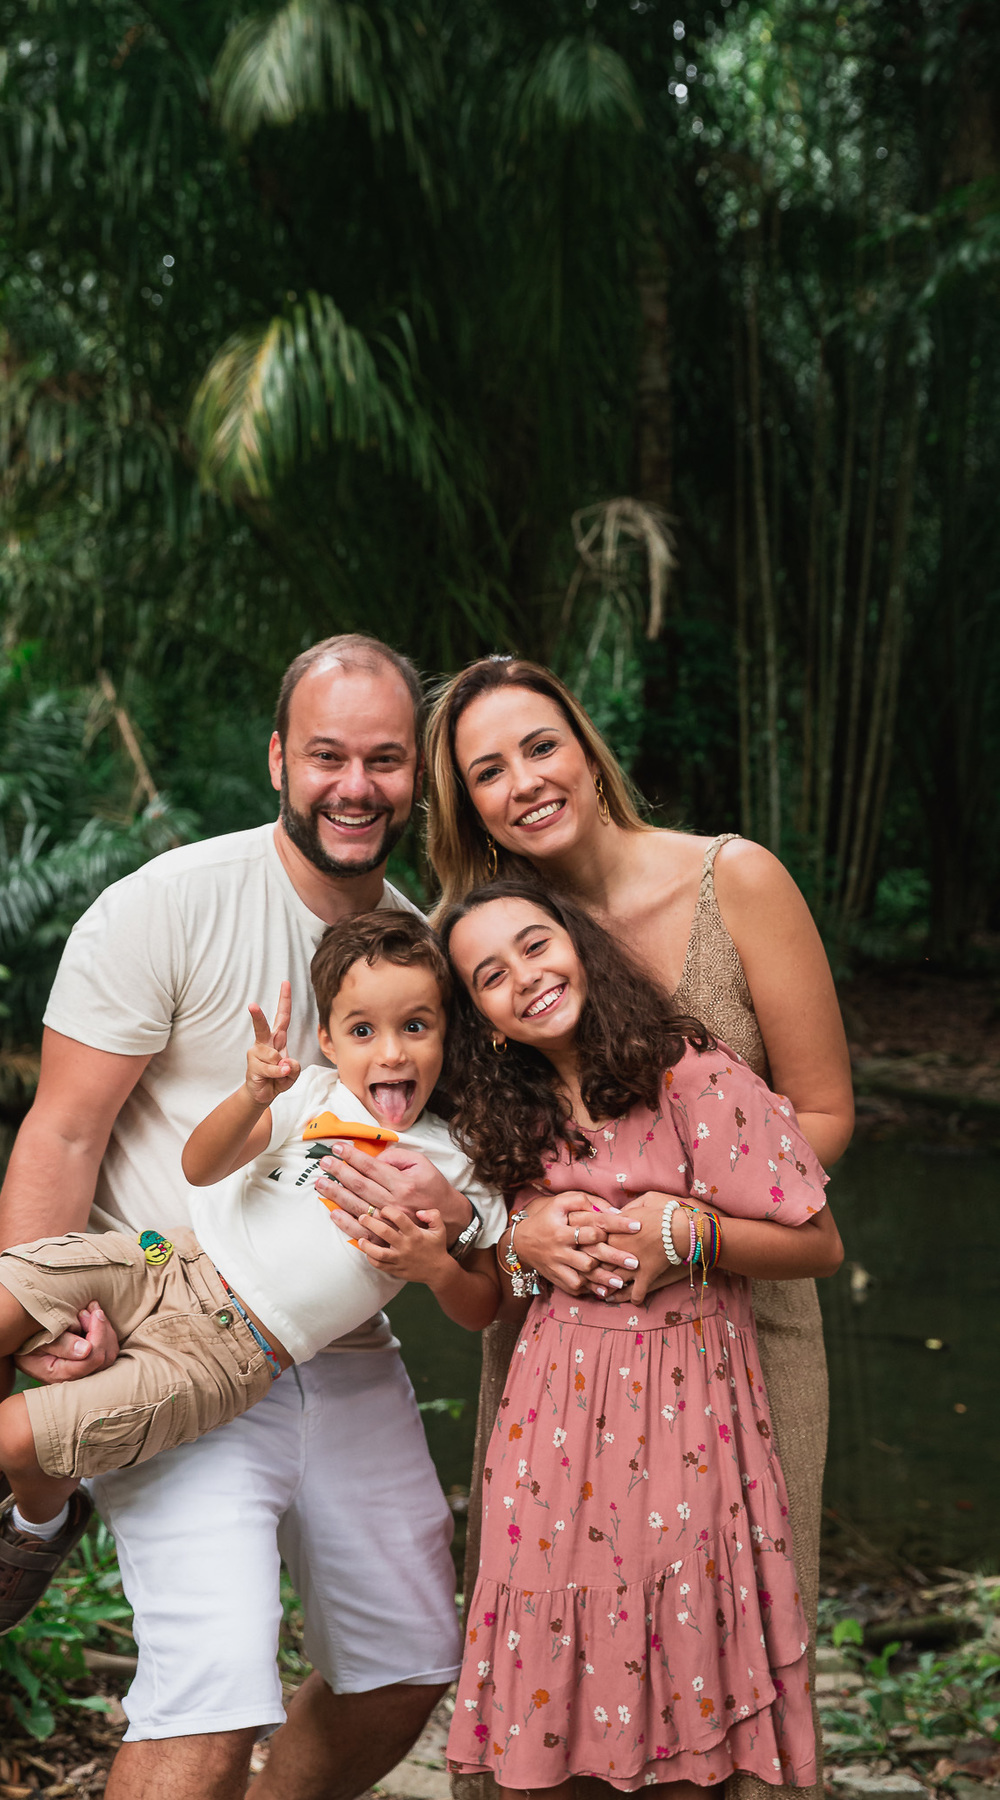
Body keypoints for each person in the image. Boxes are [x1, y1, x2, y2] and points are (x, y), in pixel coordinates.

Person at [333, 656, 853, 1800]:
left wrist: (682, 1221)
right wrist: (516, 1244)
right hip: (559, 1357)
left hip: (739, 1321)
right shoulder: (482, 948)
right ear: (463, 803)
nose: (522, 781)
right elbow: (466, 1164)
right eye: (485, 771)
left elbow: (818, 1123)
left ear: (585, 744)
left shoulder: (734, 882)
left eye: (538, 745)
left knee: (735, 1625)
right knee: (558, 1646)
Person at [0, 635, 482, 1800]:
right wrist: (44, 1323)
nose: (357, 786)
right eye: (328, 756)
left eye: (387, 759)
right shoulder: (168, 904)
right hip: (178, 1332)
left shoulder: (423, 958)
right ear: (277, 761)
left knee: (403, 1669)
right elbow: (61, 1134)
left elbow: (469, 1169)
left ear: (418, 777)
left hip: (345, 1350)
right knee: (209, 1700)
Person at [0, 912, 506, 1643]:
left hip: (235, 1349)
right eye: (363, 1031)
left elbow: (481, 1307)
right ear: (328, 1040)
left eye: (416, 1026)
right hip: (168, 1259)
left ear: (449, 1032)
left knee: (21, 1431)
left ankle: (38, 1523)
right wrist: (254, 1095)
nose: (390, 1052)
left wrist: (433, 1266)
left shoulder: (461, 1163)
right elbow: (199, 1166)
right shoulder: (312, 1097)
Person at [438, 882, 843, 1796]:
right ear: (485, 1021)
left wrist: (688, 1234)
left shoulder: (689, 1073)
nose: (527, 978)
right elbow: (496, 1293)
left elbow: (820, 1243)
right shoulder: (510, 1112)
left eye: (537, 945)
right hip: (549, 1423)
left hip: (686, 1414)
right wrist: (518, 1243)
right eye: (491, 976)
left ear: (579, 943)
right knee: (548, 1673)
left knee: (679, 1651)